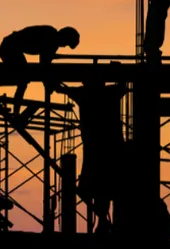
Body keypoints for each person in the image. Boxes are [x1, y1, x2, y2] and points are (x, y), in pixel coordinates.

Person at [55, 66, 127, 234]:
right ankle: (109, 223)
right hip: (112, 149)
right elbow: (123, 86)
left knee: (95, 188)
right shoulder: (109, 93)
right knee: (111, 188)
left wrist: (53, 78)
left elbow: (61, 89)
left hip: (94, 149)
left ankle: (104, 221)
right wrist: (119, 70)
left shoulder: (84, 94)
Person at [0, 25, 80, 121]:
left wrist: (50, 82)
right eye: (66, 43)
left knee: (22, 79)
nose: (64, 46)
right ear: (64, 37)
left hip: (11, 47)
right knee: (22, 80)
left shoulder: (52, 38)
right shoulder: (50, 38)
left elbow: (45, 66)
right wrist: (50, 83)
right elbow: (44, 66)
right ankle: (15, 112)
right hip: (9, 48)